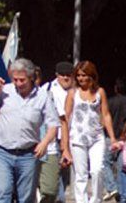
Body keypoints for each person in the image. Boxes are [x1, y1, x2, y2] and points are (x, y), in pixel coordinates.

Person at [0, 58, 59, 203]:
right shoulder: (5, 91)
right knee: (3, 192)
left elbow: (53, 125)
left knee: (26, 196)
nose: (18, 84)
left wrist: (44, 143)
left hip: (28, 153)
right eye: (15, 79)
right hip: (3, 152)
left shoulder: (42, 96)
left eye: (22, 80)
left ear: (31, 78)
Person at [60, 60, 117, 203]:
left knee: (97, 170)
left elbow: (106, 115)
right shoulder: (73, 93)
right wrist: (65, 146)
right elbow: (65, 120)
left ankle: (96, 200)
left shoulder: (100, 92)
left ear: (91, 76)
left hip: (96, 137)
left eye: (84, 75)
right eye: (78, 75)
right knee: (81, 175)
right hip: (77, 138)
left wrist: (113, 138)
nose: (81, 78)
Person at [38, 61, 74, 203]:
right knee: (56, 176)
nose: (66, 78)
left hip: (73, 136)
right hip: (56, 138)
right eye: (62, 75)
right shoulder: (48, 90)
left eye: (68, 75)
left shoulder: (77, 91)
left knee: (64, 176)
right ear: (57, 76)